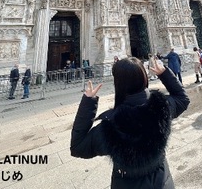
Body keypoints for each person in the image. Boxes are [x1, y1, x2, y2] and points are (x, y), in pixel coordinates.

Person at [70, 56, 190, 188]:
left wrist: (88, 102)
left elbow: (78, 147)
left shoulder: (109, 125)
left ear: (118, 83)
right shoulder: (162, 107)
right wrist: (164, 74)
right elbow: (182, 98)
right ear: (144, 77)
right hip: (162, 182)